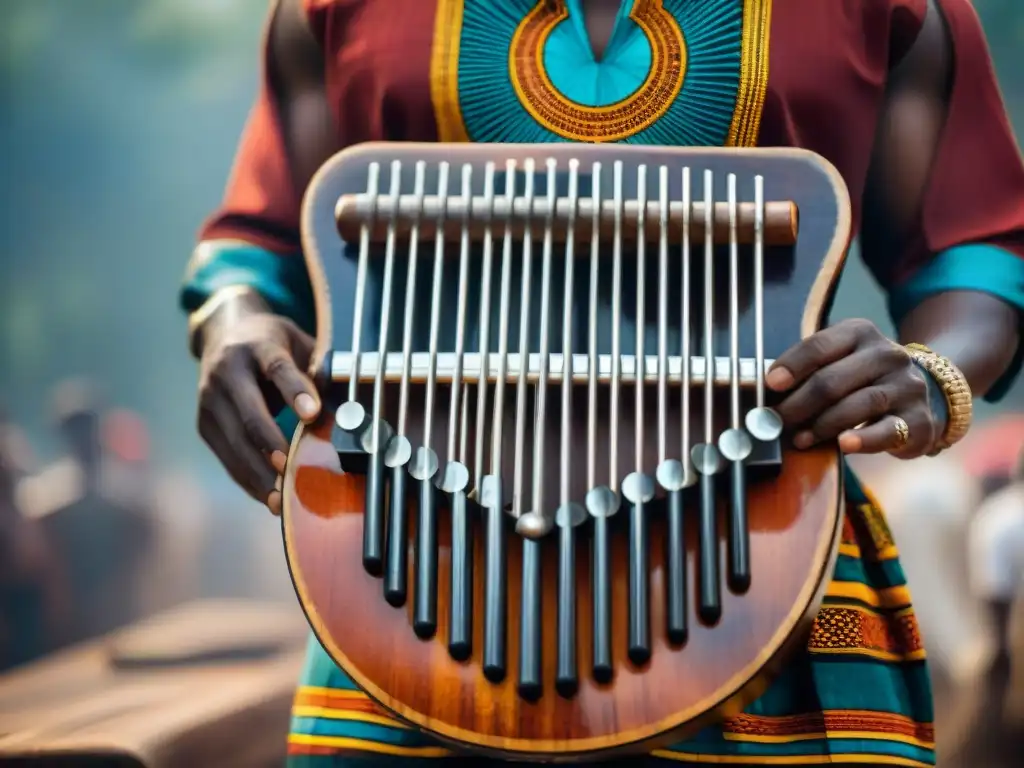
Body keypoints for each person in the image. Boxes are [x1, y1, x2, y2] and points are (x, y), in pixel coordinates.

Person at [180, 0, 1024, 764]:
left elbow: (975, 249)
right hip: (396, 582)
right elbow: (262, 243)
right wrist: (232, 318)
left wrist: (928, 374)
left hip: (763, 572)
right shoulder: (326, 10)